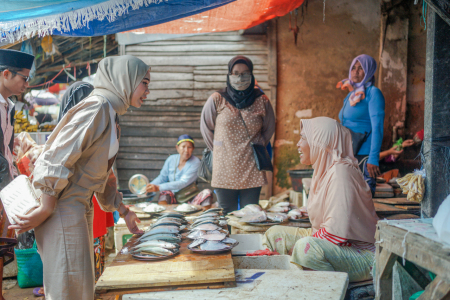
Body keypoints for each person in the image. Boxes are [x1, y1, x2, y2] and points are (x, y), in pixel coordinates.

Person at [9, 55, 149, 300]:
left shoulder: (111, 113)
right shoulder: (98, 106)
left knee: (80, 289)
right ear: (125, 80)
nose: (148, 90)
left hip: (77, 206)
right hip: (62, 207)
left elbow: (100, 175)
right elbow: (56, 156)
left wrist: (123, 211)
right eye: (144, 82)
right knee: (68, 290)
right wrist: (46, 207)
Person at [263, 117, 379, 283]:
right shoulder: (324, 170)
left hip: (363, 255)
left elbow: (336, 233)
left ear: (320, 142)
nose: (298, 144)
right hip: (336, 246)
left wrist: (298, 248)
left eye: (304, 138)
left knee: (306, 249)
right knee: (274, 234)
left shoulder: (341, 173)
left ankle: (326, 290)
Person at [200, 56, 275, 215]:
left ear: (252, 74)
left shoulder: (262, 100)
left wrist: (256, 144)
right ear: (229, 75)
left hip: (251, 166)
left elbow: (269, 128)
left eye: (245, 73)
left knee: (251, 213)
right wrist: (218, 149)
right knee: (226, 213)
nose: (240, 77)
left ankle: (247, 241)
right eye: (236, 73)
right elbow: (206, 127)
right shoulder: (217, 99)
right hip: (224, 167)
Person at [0, 49, 34, 297]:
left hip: (5, 189)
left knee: (2, 247)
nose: (27, 83)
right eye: (24, 77)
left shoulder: (9, 107)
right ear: (6, 74)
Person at [338, 54, 385, 195]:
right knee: (348, 198)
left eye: (361, 68)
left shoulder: (373, 93)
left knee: (363, 198)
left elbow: (377, 127)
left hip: (364, 156)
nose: (355, 71)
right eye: (353, 68)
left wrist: (373, 158)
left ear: (369, 71)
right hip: (348, 153)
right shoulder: (352, 96)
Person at [145, 134, 213, 206]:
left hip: (190, 199)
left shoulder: (196, 162)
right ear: (177, 148)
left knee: (207, 193)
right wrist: (150, 186)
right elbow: (162, 177)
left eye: (189, 147)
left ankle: (200, 215)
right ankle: (166, 214)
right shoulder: (171, 159)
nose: (186, 150)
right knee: (164, 193)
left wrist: (158, 187)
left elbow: (183, 182)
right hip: (173, 198)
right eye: (183, 147)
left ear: (193, 148)